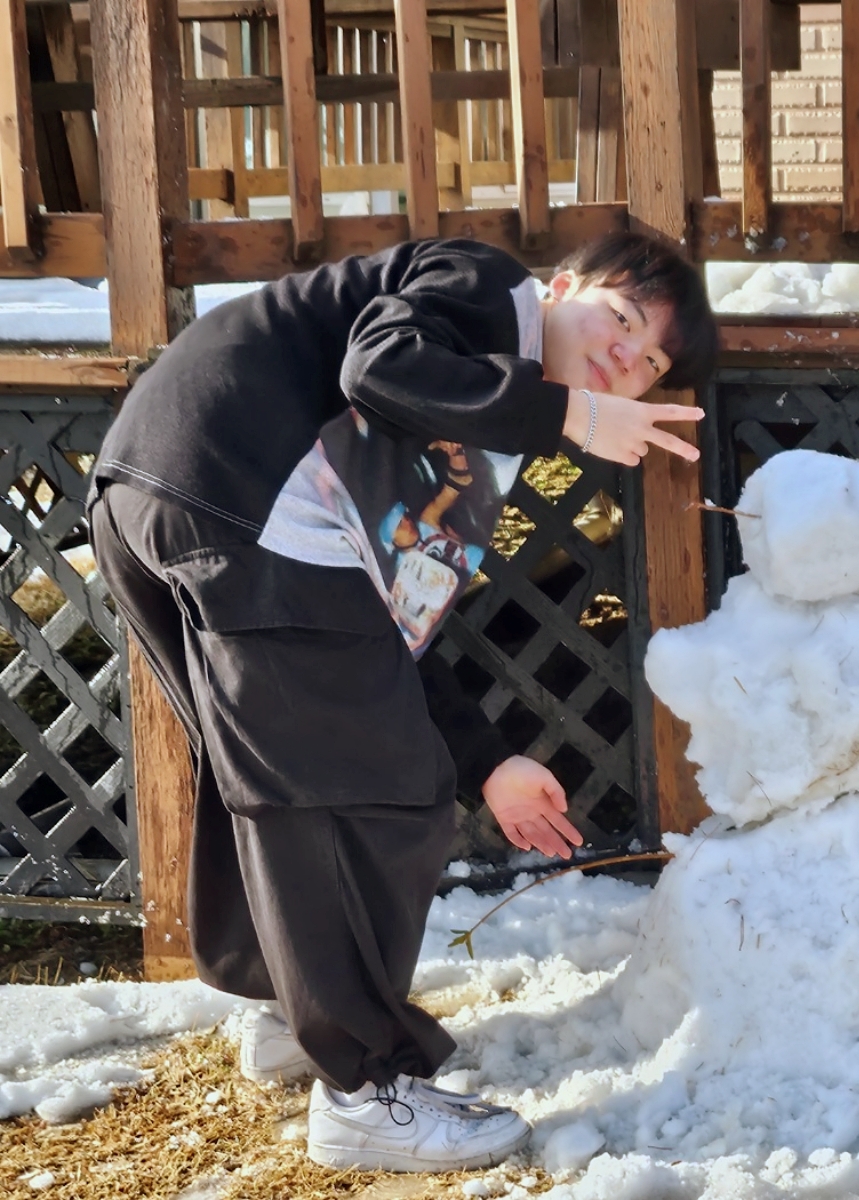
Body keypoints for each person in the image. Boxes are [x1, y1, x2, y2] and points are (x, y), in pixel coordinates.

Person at [88, 232, 718, 1172]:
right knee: (382, 796)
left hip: (162, 494)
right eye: (621, 319)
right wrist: (574, 415)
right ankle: (365, 1088)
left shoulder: (473, 421)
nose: (625, 357)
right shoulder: (491, 288)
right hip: (240, 493)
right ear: (562, 286)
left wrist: (486, 763)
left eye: (650, 365)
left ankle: (298, 1015)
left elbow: (386, 627)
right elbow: (378, 363)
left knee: (280, 771)